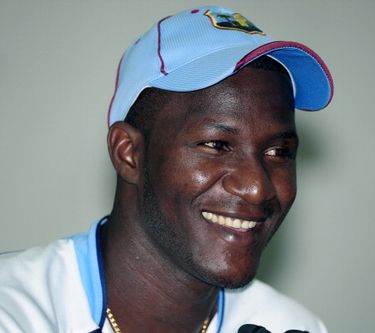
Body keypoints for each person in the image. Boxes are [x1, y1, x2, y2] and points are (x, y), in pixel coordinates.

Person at [0, 6, 333, 332]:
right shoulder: (14, 309)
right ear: (128, 153)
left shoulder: (293, 325)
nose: (257, 187)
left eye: (279, 151)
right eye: (216, 145)